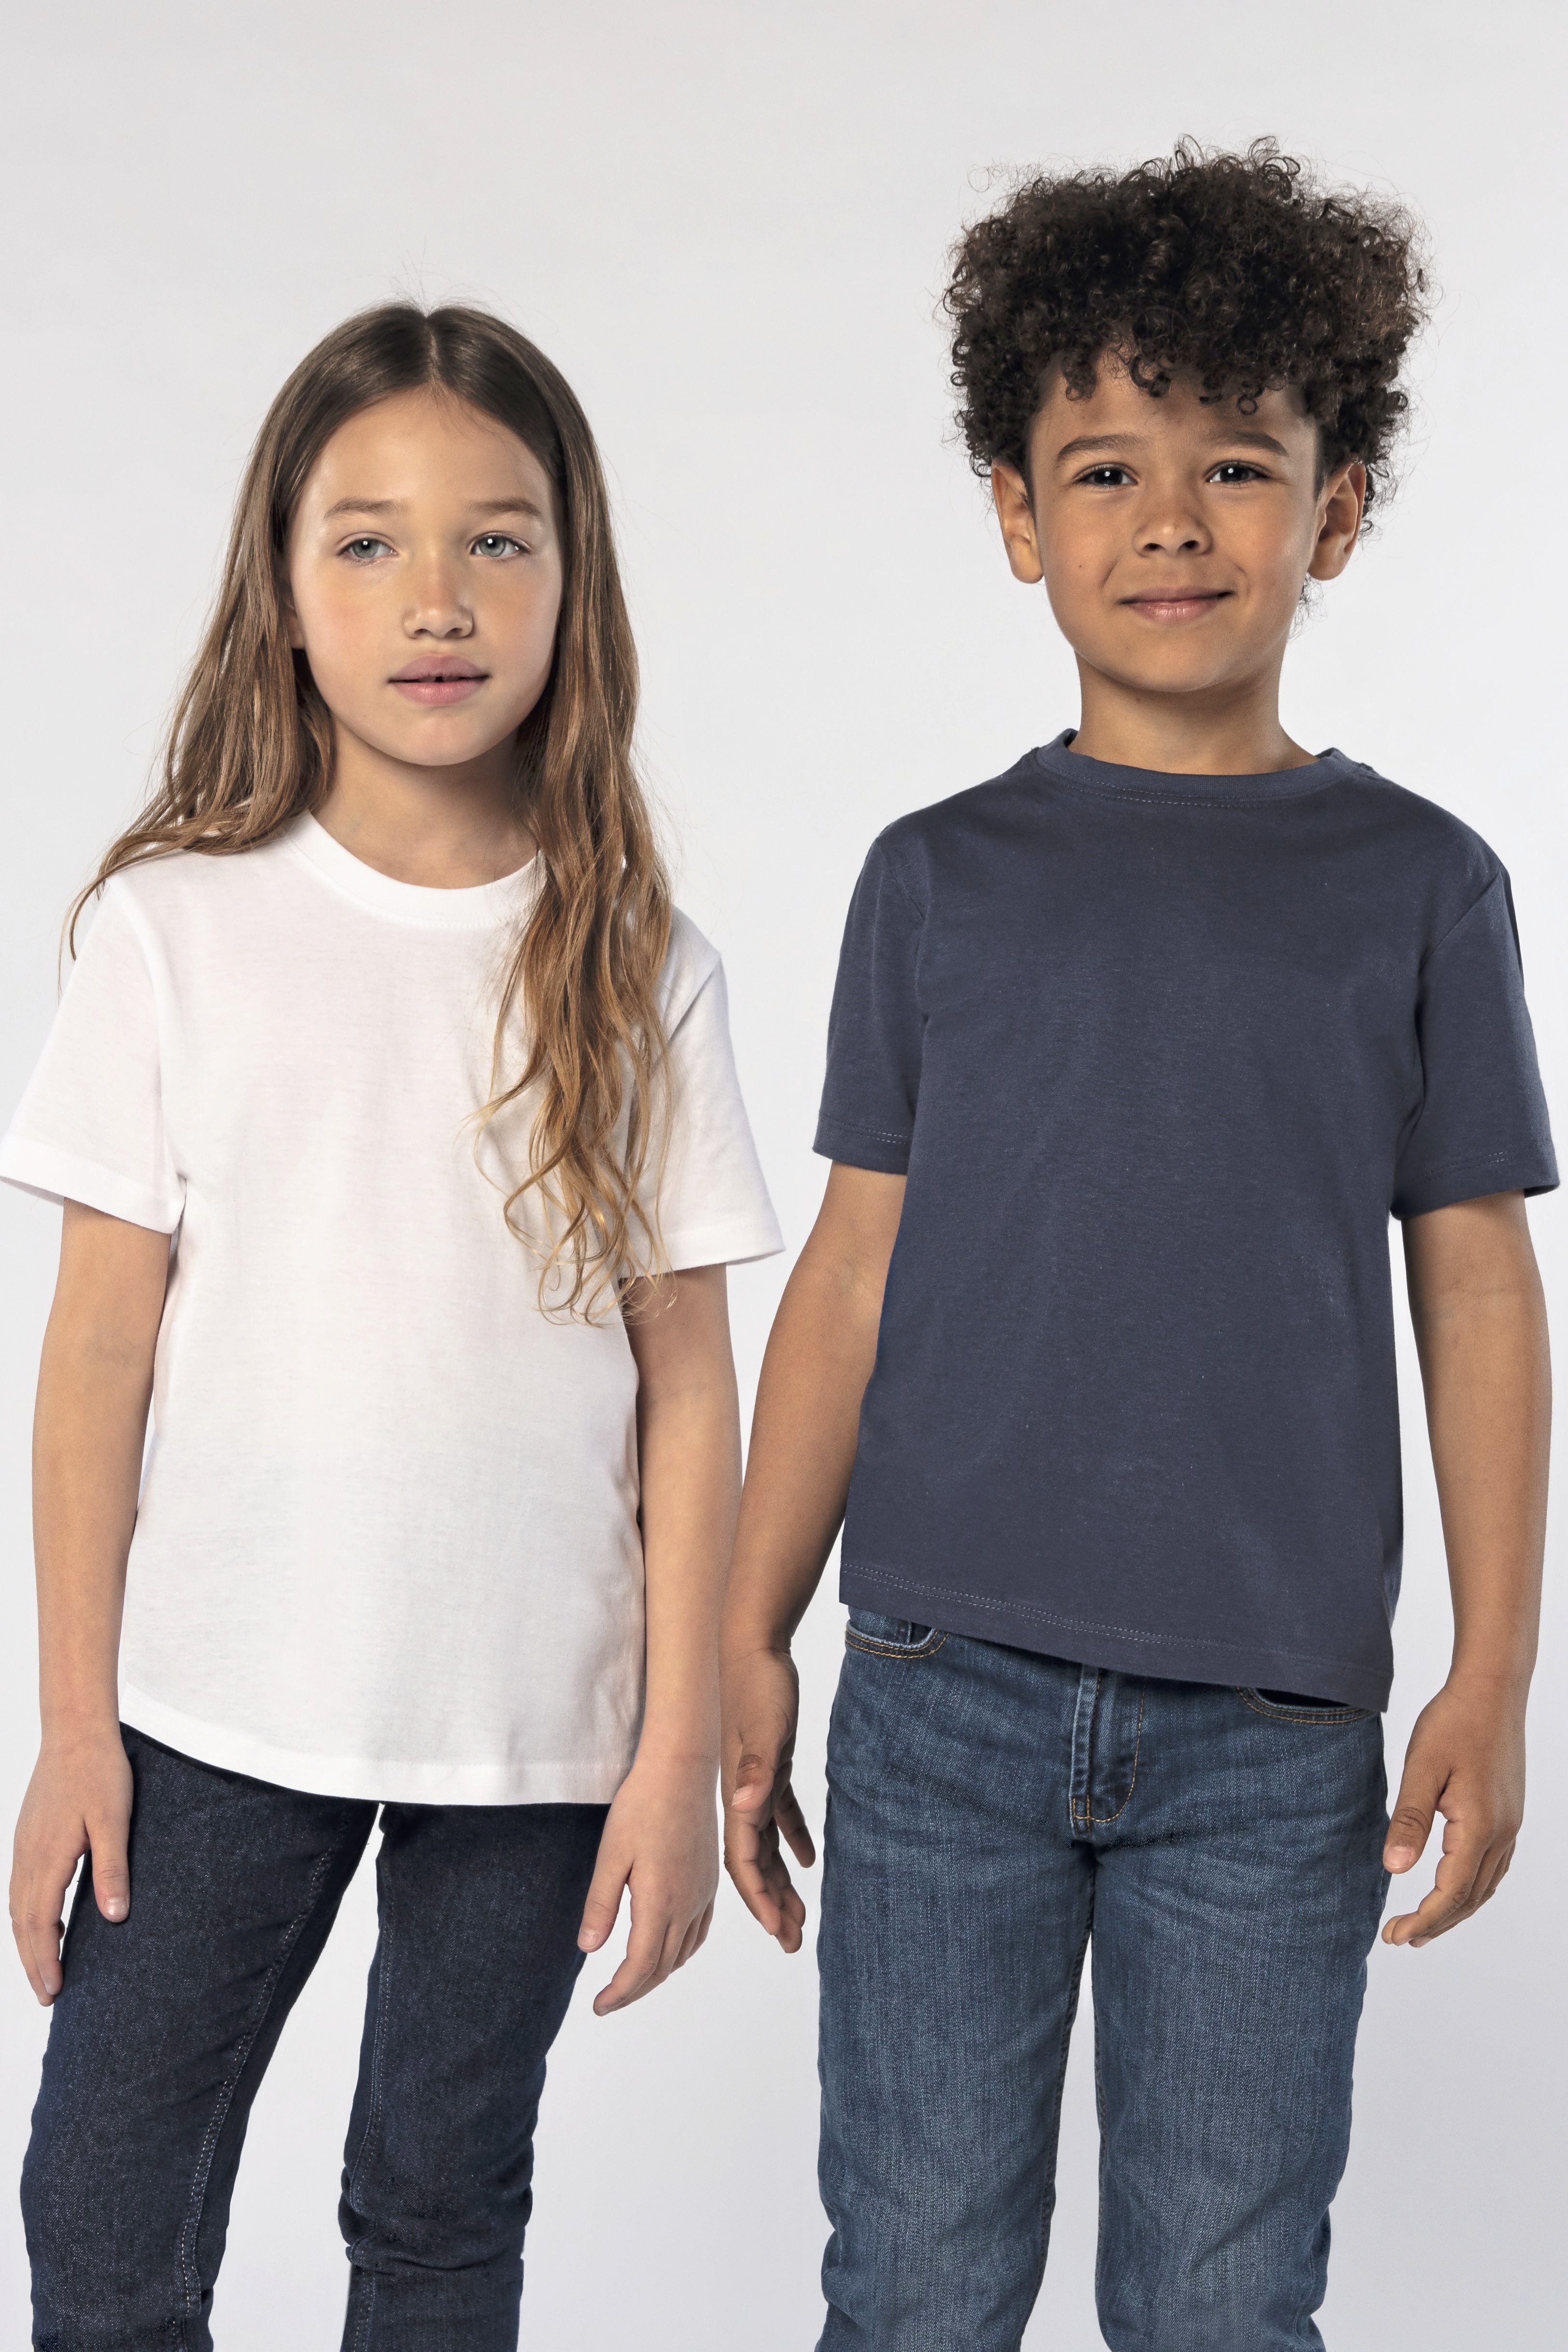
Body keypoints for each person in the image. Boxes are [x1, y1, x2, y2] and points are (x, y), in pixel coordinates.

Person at [720, 140, 1554, 2351]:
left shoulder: (1425, 887)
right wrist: (743, 1624)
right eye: (1105, 470)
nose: (1171, 522)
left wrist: (1493, 1667)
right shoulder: (937, 878)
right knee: (916, 2287)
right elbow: (851, 1276)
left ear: (1338, 510)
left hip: (1278, 1732)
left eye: (1236, 468)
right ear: (1019, 516)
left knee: (1224, 2301)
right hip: (940, 1697)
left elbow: (1478, 1285)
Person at [4, 302, 780, 2350]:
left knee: (437, 2210)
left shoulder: (641, 962)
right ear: (281, 589)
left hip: (537, 1728)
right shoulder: (172, 928)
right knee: (101, 2205)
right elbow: (94, 1362)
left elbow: (688, 1388)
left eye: (496, 540)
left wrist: (675, 1747)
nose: (437, 597)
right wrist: (73, 1722)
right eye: (367, 542)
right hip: (211, 1713)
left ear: (571, 580)